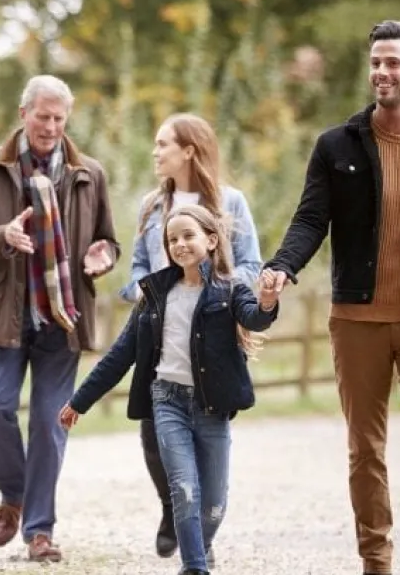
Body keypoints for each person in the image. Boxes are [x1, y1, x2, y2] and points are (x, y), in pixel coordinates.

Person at [261, 20, 400, 575]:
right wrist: (282, 266)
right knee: (365, 447)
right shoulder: (336, 146)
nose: (382, 72)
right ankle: (375, 559)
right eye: (375, 63)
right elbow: (311, 218)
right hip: (357, 319)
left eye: (392, 62)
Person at [0, 74, 121, 562]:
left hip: (62, 318)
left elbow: (109, 239)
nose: (50, 126)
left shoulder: (88, 172)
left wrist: (102, 257)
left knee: (51, 421)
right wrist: (2, 235)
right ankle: (13, 494)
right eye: (42, 116)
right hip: (5, 313)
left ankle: (39, 531)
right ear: (23, 113)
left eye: (58, 118)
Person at [60, 204, 279, 575]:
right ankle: (195, 567)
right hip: (168, 402)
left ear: (211, 241)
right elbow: (119, 356)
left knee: (213, 505)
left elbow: (255, 317)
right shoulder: (154, 296)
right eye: (172, 239)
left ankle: (200, 545)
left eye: (188, 236)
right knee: (183, 488)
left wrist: (269, 301)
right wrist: (79, 401)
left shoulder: (230, 290)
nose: (179, 244)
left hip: (212, 409)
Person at [120, 112, 263, 561]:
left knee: (207, 432)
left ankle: (199, 535)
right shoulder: (150, 206)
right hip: (159, 330)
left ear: (189, 150)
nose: (155, 151)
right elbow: (138, 270)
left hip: (211, 332)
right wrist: (148, 294)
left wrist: (211, 289)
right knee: (152, 430)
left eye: (163, 144)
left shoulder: (231, 202)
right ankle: (173, 507)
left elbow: (251, 265)